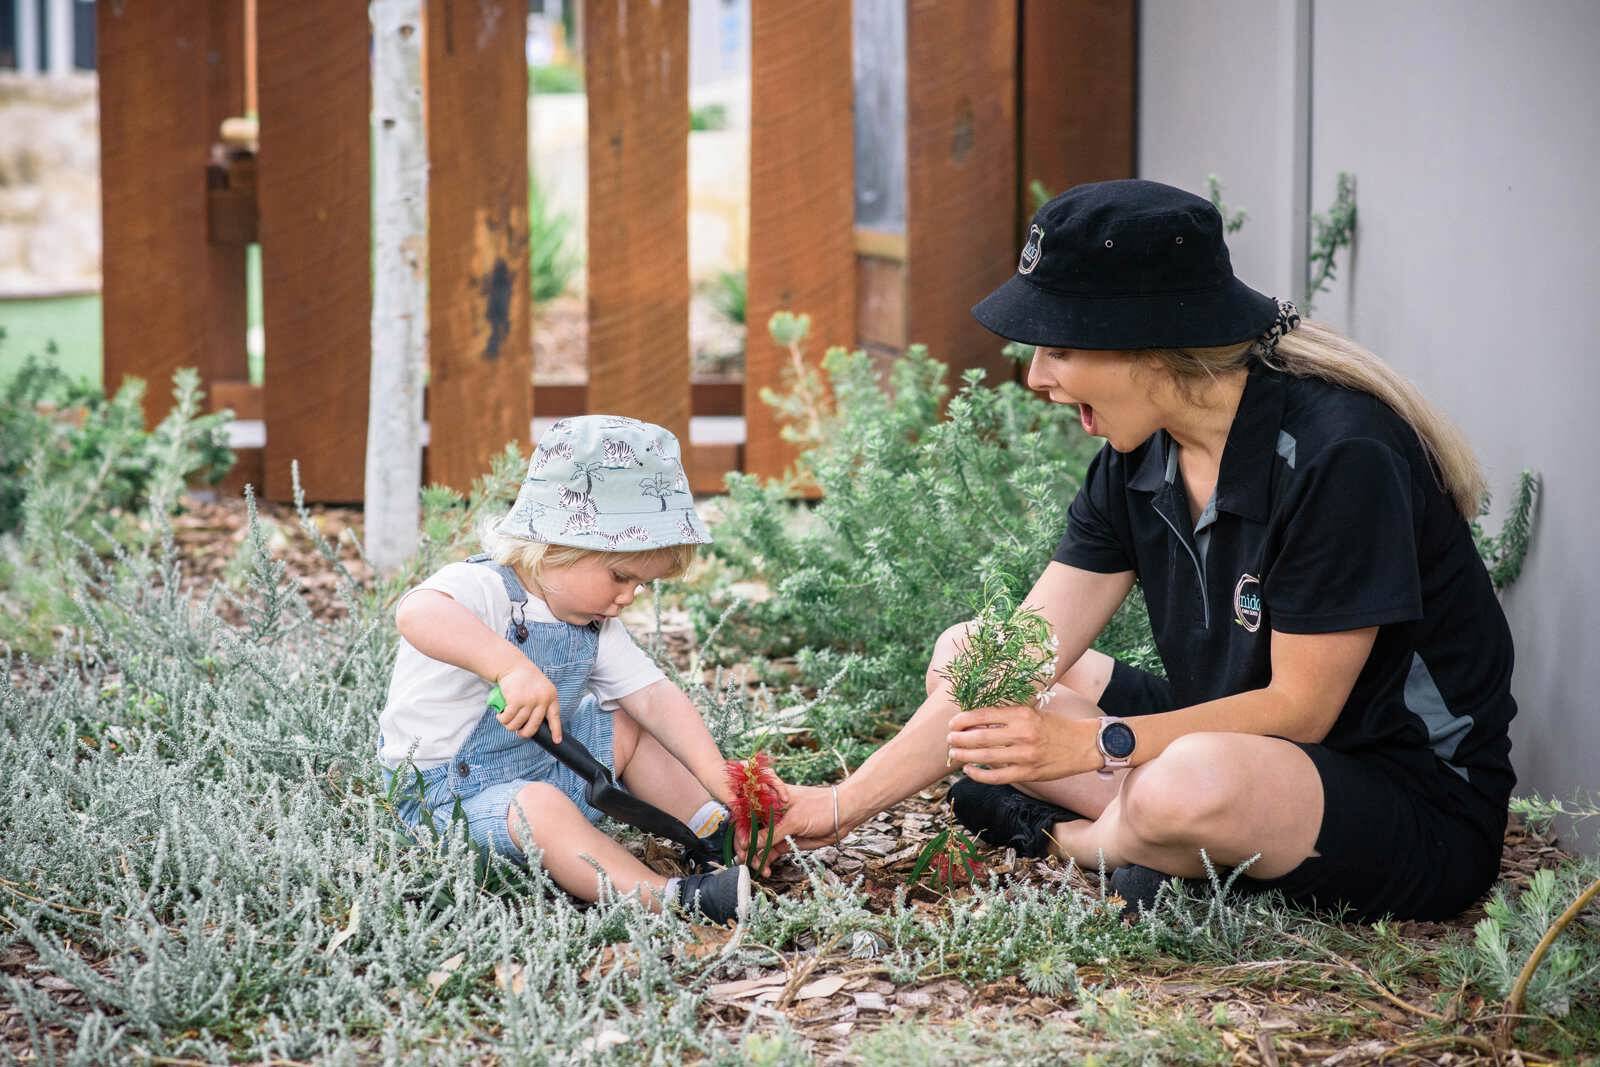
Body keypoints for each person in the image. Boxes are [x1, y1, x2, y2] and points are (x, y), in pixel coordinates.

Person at [775, 179, 1516, 921]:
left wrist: (1091, 744)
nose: (1037, 378)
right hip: (1232, 741)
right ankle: (1163, 845)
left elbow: (1301, 711)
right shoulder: (1140, 456)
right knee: (966, 655)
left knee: (1183, 783)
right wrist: (839, 806)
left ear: (1152, 342)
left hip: (1410, 800)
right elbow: (1020, 652)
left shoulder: (1340, 454)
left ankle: (1090, 842)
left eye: (1060, 346)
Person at [377, 415, 772, 924]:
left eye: (640, 587)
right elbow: (417, 613)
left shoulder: (591, 621)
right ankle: (671, 896)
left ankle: (714, 830)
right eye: (620, 576)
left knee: (627, 722)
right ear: (555, 545)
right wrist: (509, 667)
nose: (626, 598)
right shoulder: (483, 589)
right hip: (447, 804)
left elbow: (653, 697)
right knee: (539, 808)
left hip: (539, 768)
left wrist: (727, 784)